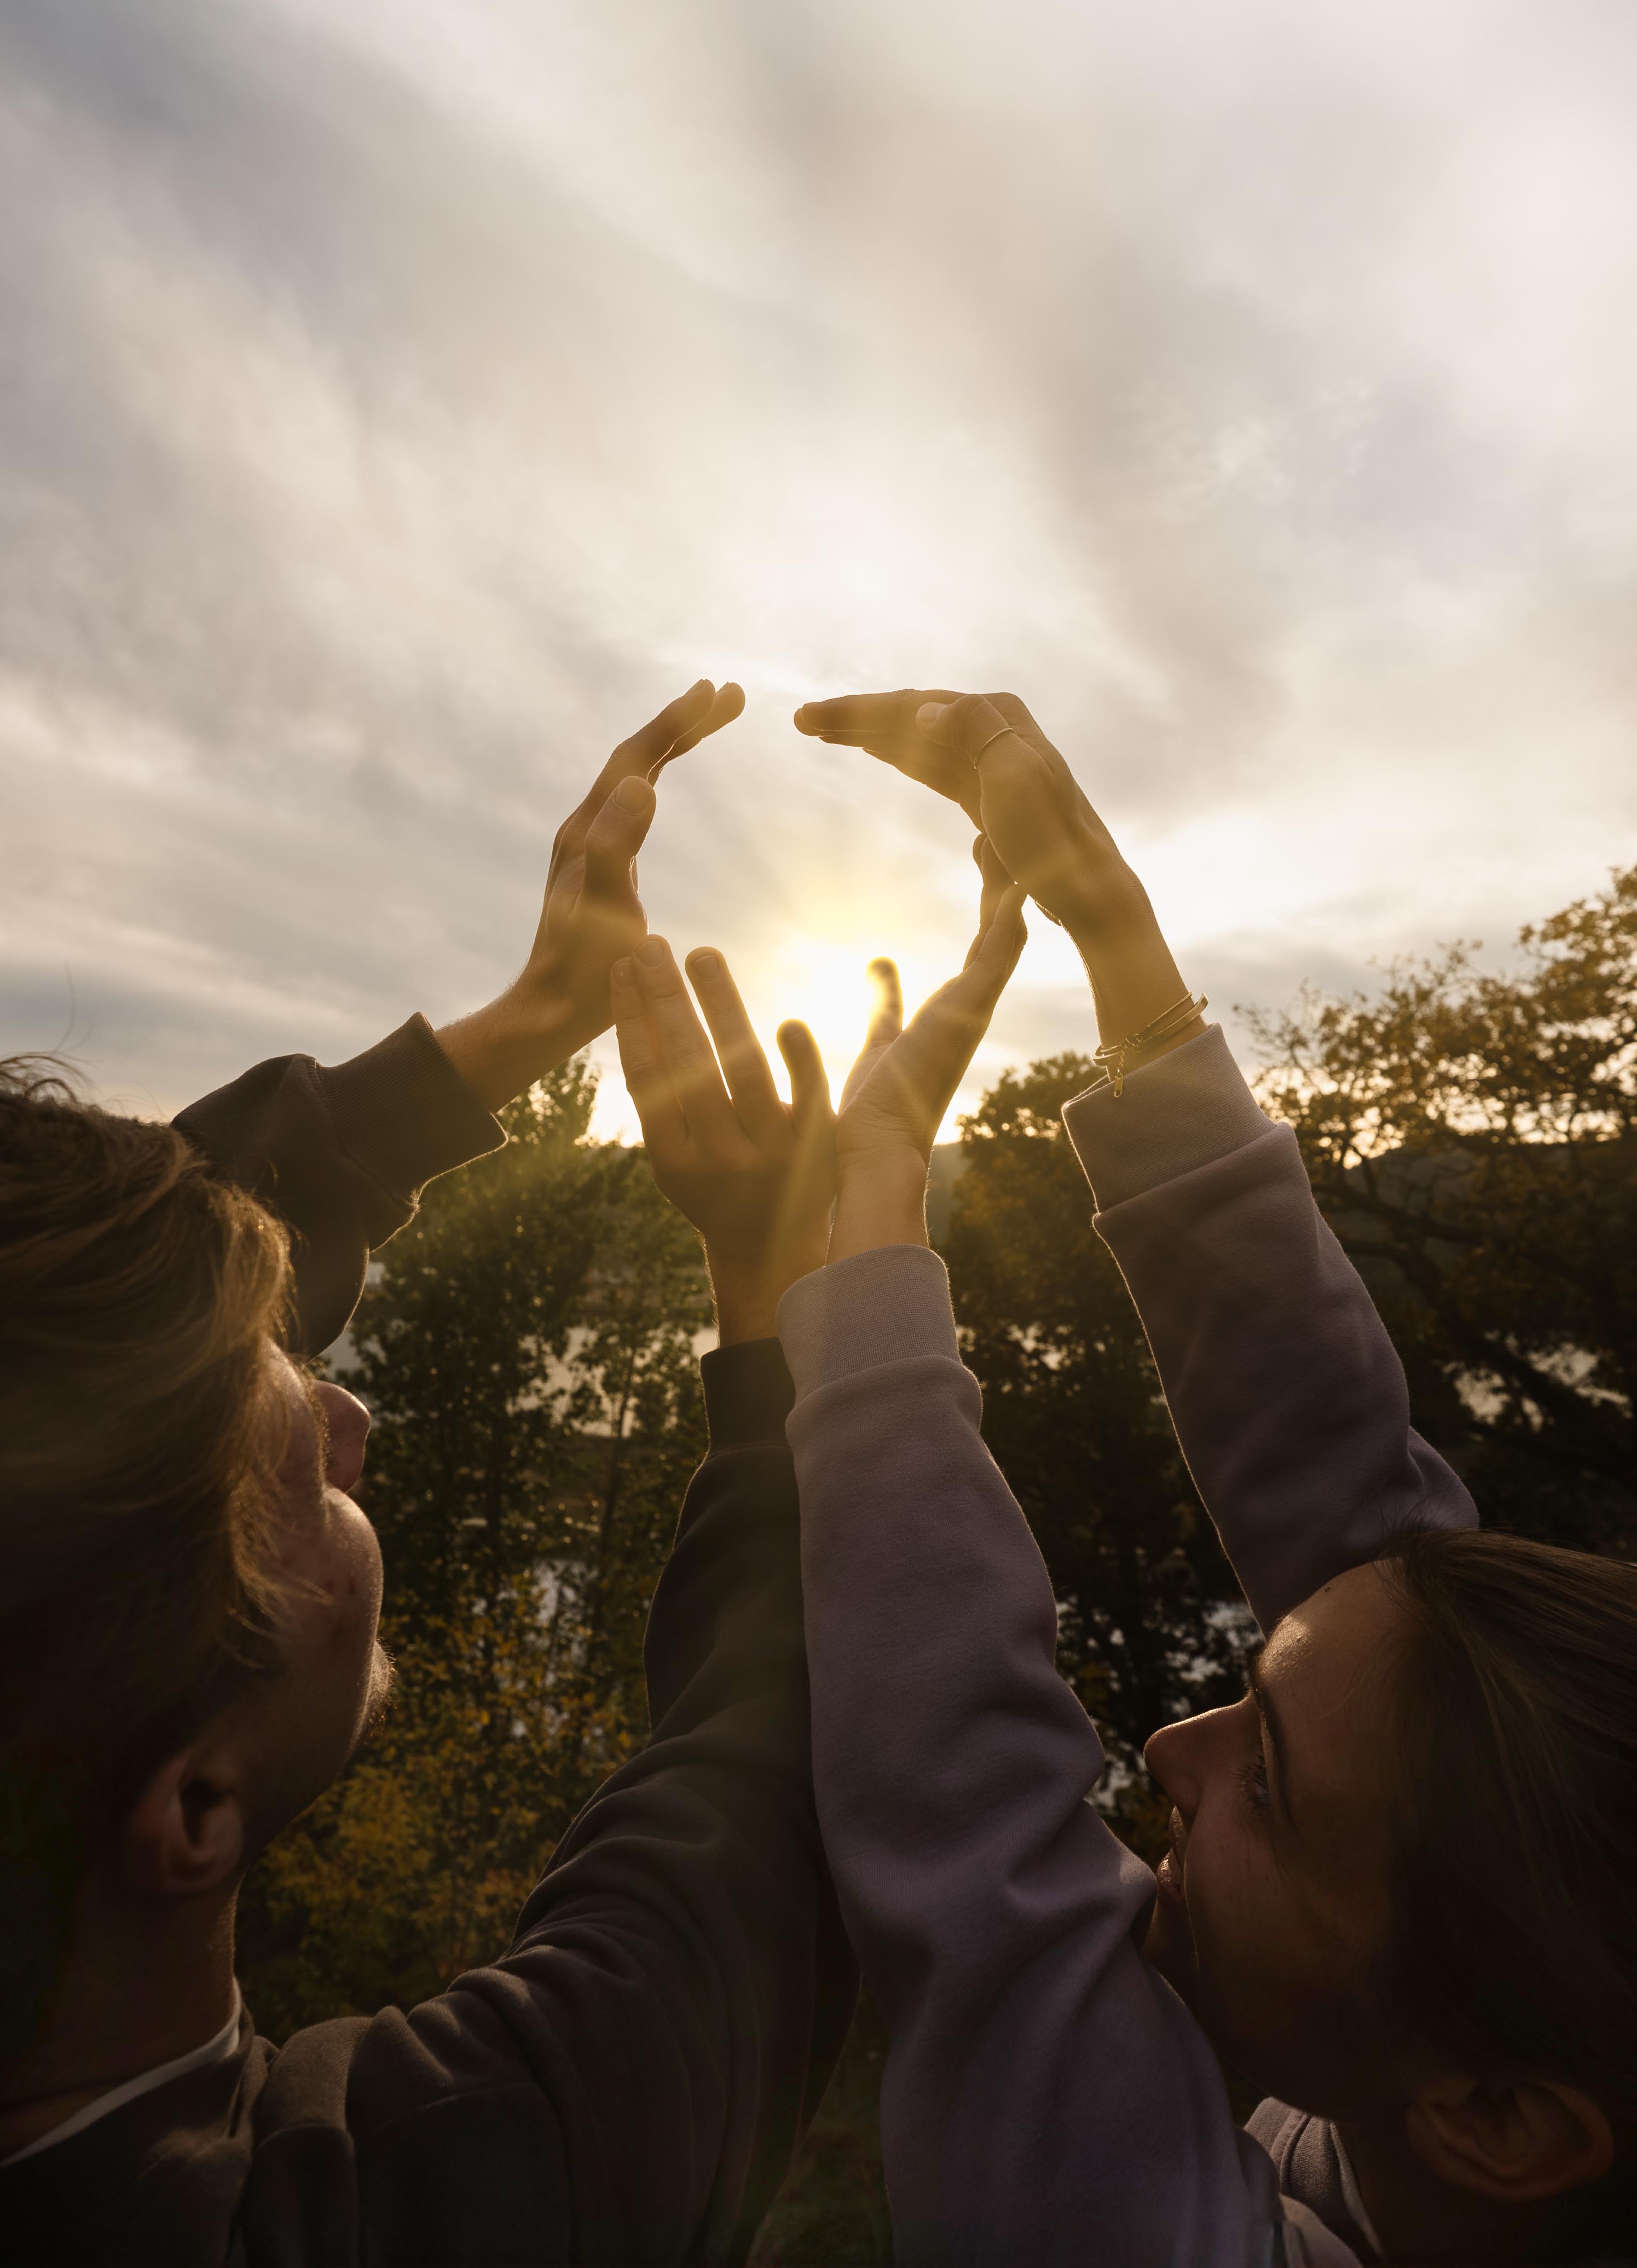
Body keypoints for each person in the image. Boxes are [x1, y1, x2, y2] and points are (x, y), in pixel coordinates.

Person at [617, 686, 1636, 2267]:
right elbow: (1371, 1552)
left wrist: (876, 1215)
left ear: (1502, 2119)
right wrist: (1124, 957)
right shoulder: (1483, 2073)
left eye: (1270, 1788)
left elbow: (974, 1823)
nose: (1169, 1744)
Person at [0, 679, 858, 2267]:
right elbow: (757, 1815)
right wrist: (782, 1299)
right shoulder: (462, 2201)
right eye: (288, 1471)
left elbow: (26, 1350)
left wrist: (523, 1022)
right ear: (195, 1798)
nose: (346, 1421)